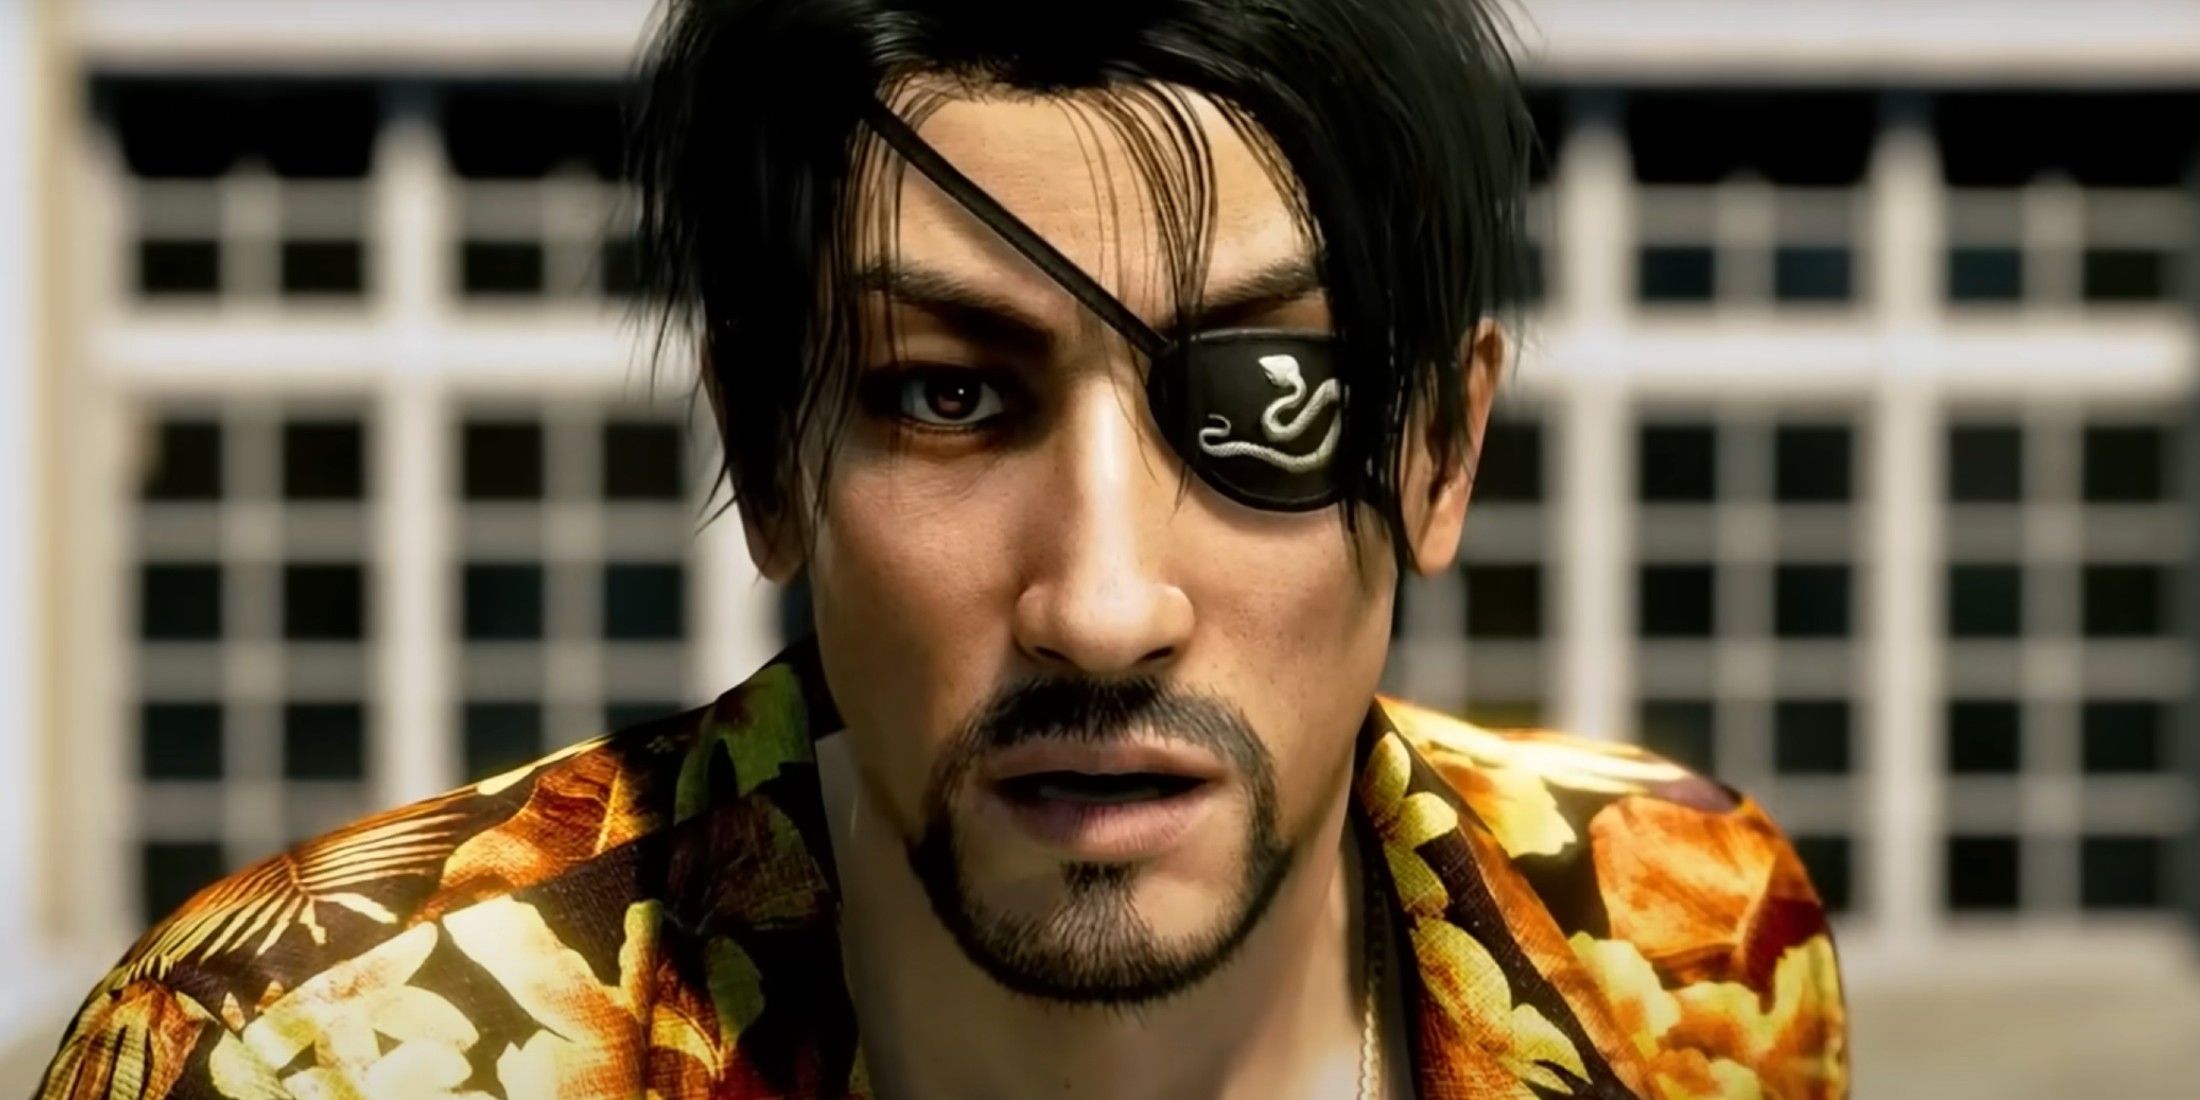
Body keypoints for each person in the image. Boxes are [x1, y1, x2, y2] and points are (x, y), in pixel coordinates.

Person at [38, 0, 1848, 1097]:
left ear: (1441, 451)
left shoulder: (1685, 944)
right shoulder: (309, 1061)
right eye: (949, 396)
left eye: (1261, 400)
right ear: (767, 452)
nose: (1105, 606)